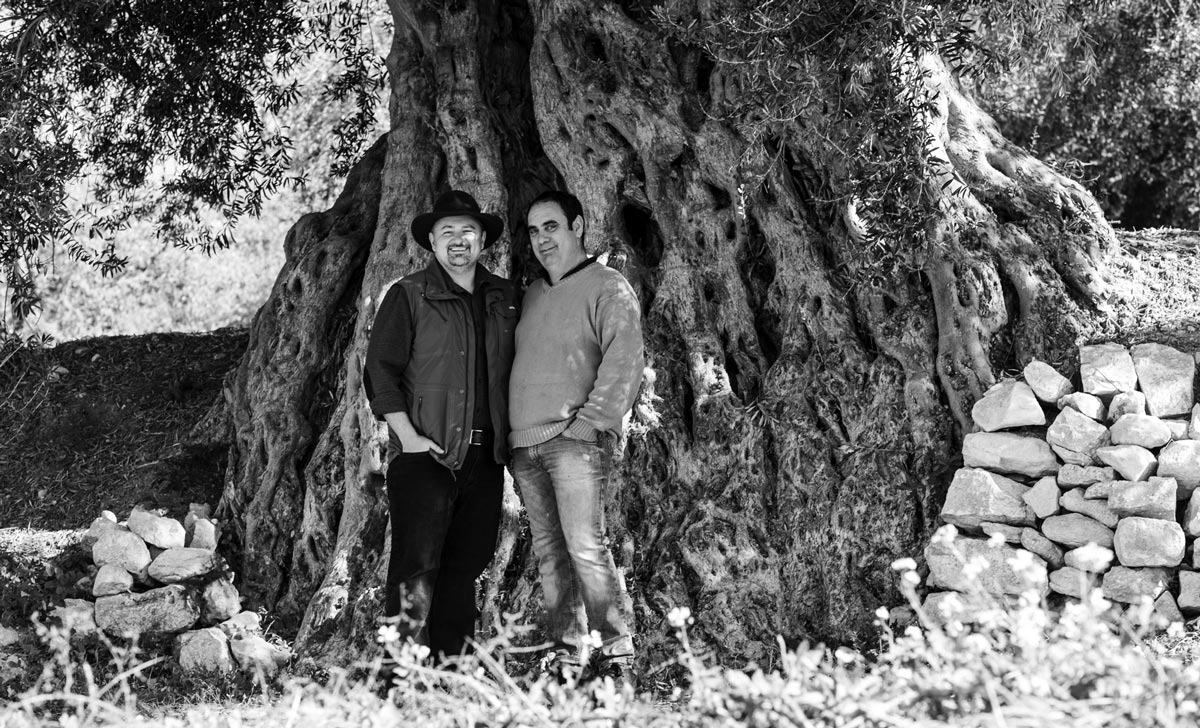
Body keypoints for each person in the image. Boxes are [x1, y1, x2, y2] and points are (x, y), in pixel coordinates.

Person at [363, 190, 520, 660]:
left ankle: (452, 671)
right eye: (447, 231)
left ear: (482, 240)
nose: (458, 240)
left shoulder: (504, 297)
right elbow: (380, 370)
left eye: (467, 231)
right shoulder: (409, 294)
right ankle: (405, 673)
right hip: (424, 456)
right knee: (416, 568)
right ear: (431, 240)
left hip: (485, 457)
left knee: (466, 566)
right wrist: (408, 438)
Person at [509, 189, 645, 683]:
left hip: (574, 440)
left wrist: (590, 423)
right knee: (549, 553)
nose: (542, 239)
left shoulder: (607, 286)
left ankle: (619, 655)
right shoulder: (531, 293)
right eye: (533, 230)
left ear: (579, 226)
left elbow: (625, 356)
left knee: (586, 546)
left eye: (552, 226)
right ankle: (568, 655)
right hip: (523, 445)